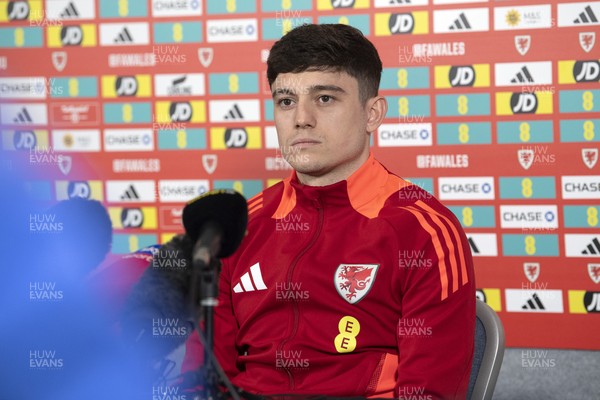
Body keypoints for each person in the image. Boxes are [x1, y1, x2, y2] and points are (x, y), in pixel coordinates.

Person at [182, 23, 475, 399]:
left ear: (373, 114)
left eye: (324, 98)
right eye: (286, 101)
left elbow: (432, 393)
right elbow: (203, 377)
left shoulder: (423, 231)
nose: (301, 118)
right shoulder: (238, 226)